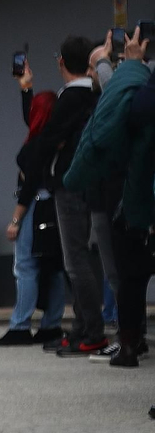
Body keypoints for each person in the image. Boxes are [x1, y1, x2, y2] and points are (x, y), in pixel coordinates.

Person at [66, 27, 155, 367]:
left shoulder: (135, 81)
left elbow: (132, 107)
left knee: (128, 275)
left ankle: (129, 345)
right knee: (126, 275)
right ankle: (130, 343)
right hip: (131, 194)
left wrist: (121, 65)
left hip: (131, 194)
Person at [19, 36, 108, 355]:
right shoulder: (95, 94)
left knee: (75, 261)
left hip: (68, 185)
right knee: (81, 256)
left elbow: (45, 140)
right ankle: (82, 327)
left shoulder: (70, 97)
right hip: (90, 183)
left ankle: (91, 330)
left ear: (61, 63)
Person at [0, 59, 68, 346]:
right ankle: (51, 324)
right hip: (55, 204)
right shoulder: (57, 136)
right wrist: (26, 87)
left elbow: (29, 185)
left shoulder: (37, 144)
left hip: (36, 205)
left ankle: (20, 325)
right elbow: (35, 116)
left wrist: (14, 220)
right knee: (54, 265)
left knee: (25, 266)